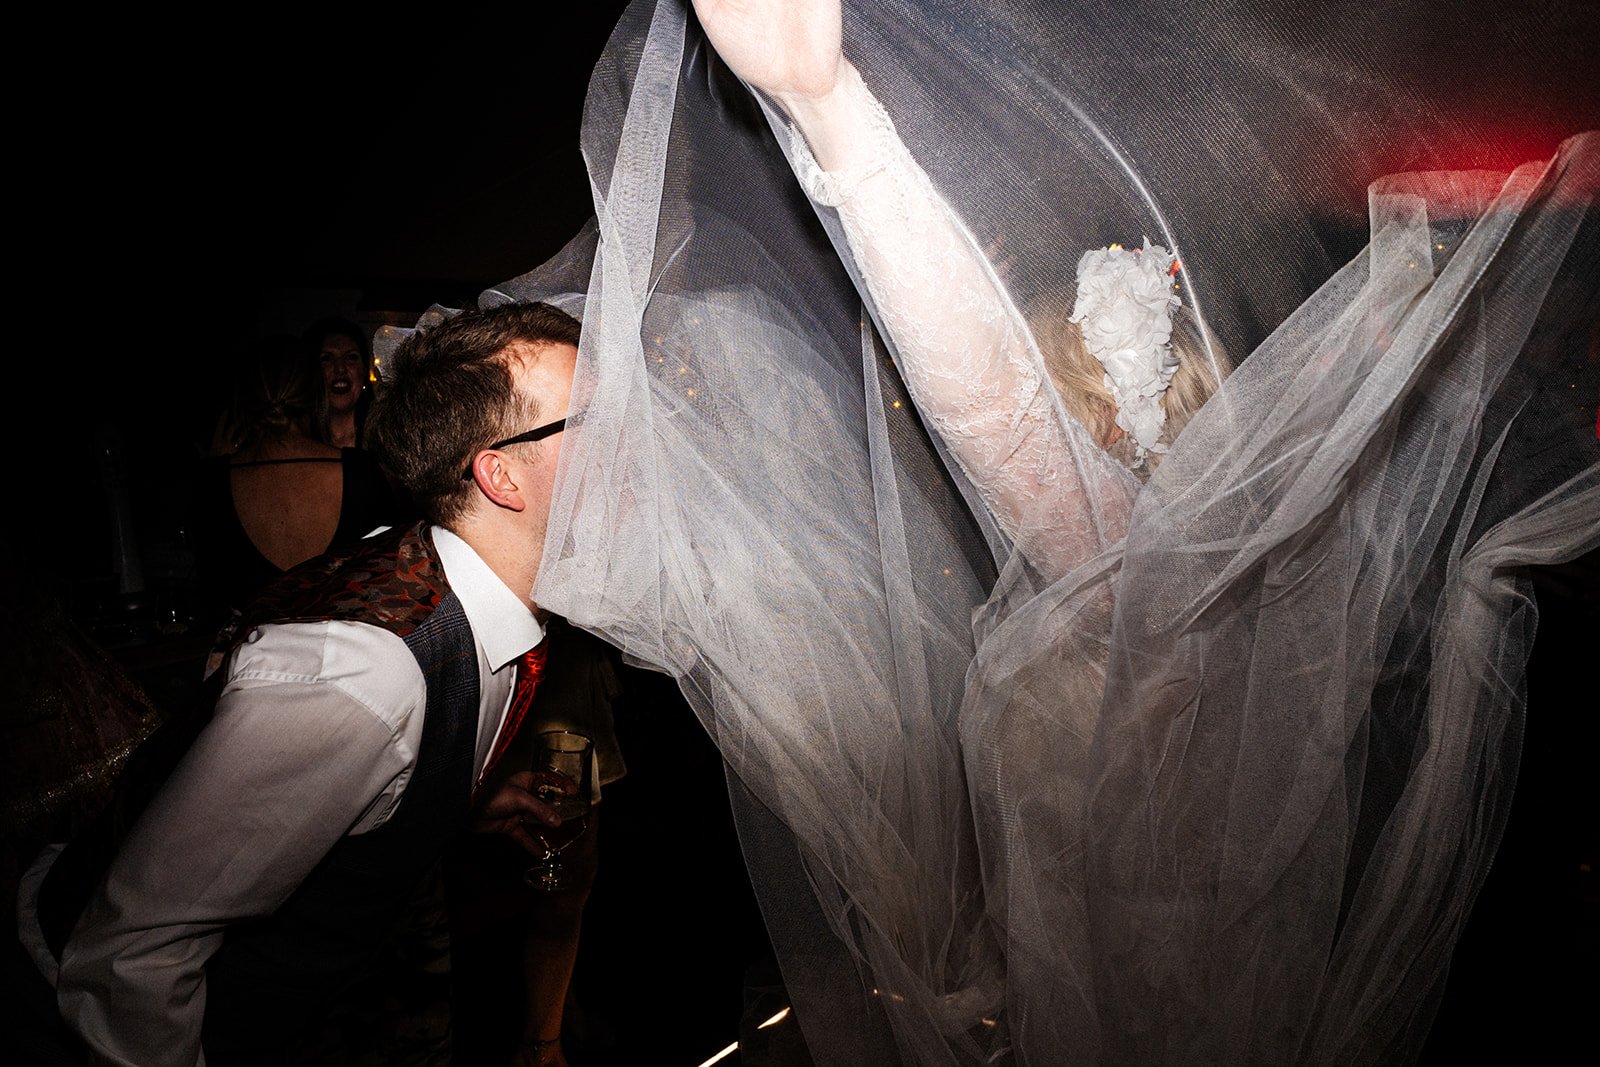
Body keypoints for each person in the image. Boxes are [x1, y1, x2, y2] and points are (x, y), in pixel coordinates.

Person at [491, 1, 1595, 1063]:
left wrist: (835, 119)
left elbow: (998, 414)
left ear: (1094, 411)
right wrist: (1410, 265)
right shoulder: (1261, 558)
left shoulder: (1131, 573)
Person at [34, 302, 590, 1065]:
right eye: (591, 422)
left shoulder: (464, 585)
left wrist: (453, 796)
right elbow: (130, 958)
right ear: (499, 475)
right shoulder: (362, 677)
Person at [191, 333, 398, 623]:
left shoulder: (210, 484)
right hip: (348, 662)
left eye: (351, 357)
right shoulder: (363, 472)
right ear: (315, 393)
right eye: (327, 359)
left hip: (251, 664)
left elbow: (208, 598)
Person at [304, 315, 376, 449]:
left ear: (364, 370)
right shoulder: (297, 443)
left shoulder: (386, 441)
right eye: (327, 358)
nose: (340, 369)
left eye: (351, 357)